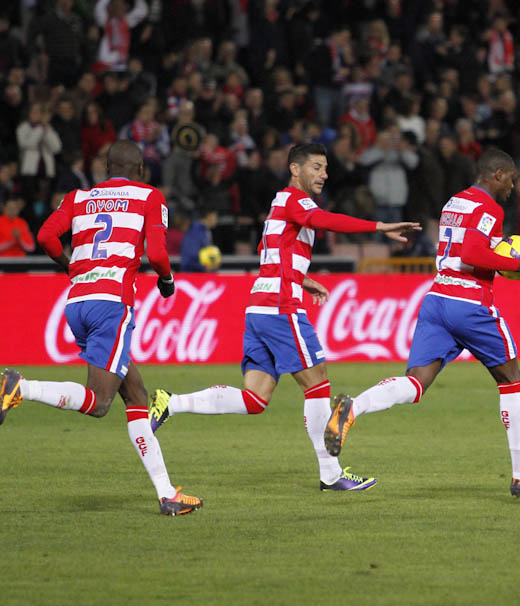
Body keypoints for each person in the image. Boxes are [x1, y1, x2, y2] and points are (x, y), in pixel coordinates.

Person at [148, 143, 420, 492]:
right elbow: (324, 220)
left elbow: (268, 252)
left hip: (261, 305)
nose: (324, 174)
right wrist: (379, 226)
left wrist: (304, 280)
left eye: (325, 168)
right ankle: (331, 475)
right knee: (318, 384)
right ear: (295, 169)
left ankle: (171, 402)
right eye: (317, 167)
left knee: (254, 399)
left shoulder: (280, 206)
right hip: (280, 307)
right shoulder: (295, 200)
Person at [323, 149, 520, 497]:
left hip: (437, 301)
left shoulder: (454, 202)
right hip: (470, 304)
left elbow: (470, 249)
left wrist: (504, 258)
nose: (512, 187)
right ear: (496, 175)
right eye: (510, 179)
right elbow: (472, 254)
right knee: (511, 380)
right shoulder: (490, 207)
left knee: (415, 384)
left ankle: (353, 407)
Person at [0, 141, 202, 517]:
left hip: (77, 303)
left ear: (106, 167)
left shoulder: (79, 197)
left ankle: (167, 494)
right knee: (99, 403)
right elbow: (157, 254)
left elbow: (44, 237)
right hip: (112, 305)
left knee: (136, 396)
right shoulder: (149, 196)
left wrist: (70, 265)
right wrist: (167, 280)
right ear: (140, 170)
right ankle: (25, 387)